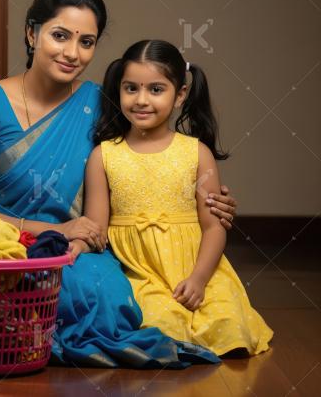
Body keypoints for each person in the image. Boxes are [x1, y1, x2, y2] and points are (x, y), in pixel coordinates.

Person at [0, 0, 237, 367]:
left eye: (87, 41)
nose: (72, 53)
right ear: (32, 33)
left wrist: (206, 195)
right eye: (60, 36)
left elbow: (151, 156)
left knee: (107, 296)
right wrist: (50, 230)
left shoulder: (102, 103)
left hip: (79, 248)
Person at [84, 39, 272, 356]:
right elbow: (96, 228)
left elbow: (214, 227)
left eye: (156, 90)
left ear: (180, 95)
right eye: (131, 88)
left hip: (198, 267)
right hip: (141, 273)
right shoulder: (104, 156)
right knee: (161, 321)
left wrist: (198, 279)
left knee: (227, 318)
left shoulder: (196, 153)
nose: (141, 100)